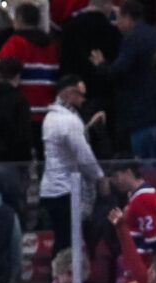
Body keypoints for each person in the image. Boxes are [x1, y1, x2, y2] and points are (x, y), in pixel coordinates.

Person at [91, 2, 156, 157]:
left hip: (142, 115)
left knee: (145, 167)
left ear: (127, 17)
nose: (117, 23)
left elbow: (118, 71)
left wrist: (101, 65)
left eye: (118, 18)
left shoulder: (133, 39)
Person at [39, 75, 105, 255]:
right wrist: (100, 177)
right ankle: (64, 279)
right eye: (81, 94)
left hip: (53, 187)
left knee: (62, 239)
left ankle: (61, 278)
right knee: (67, 241)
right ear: (69, 93)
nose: (84, 99)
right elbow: (83, 155)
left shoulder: (52, 117)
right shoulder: (67, 120)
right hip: (65, 189)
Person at [0, 4, 63, 119]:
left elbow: (0, 70)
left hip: (22, 111)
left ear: (20, 20)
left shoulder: (15, 43)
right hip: (48, 112)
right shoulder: (52, 46)